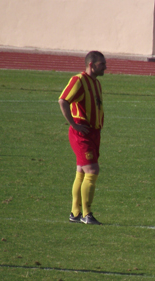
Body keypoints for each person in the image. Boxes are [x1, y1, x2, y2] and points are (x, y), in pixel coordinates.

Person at [58, 51, 107, 225]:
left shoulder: (97, 83)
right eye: (102, 64)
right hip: (82, 134)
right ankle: (87, 214)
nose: (105, 67)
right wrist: (74, 124)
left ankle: (75, 213)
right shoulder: (78, 80)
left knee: (81, 171)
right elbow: (63, 100)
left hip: (93, 133)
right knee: (92, 171)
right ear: (92, 64)